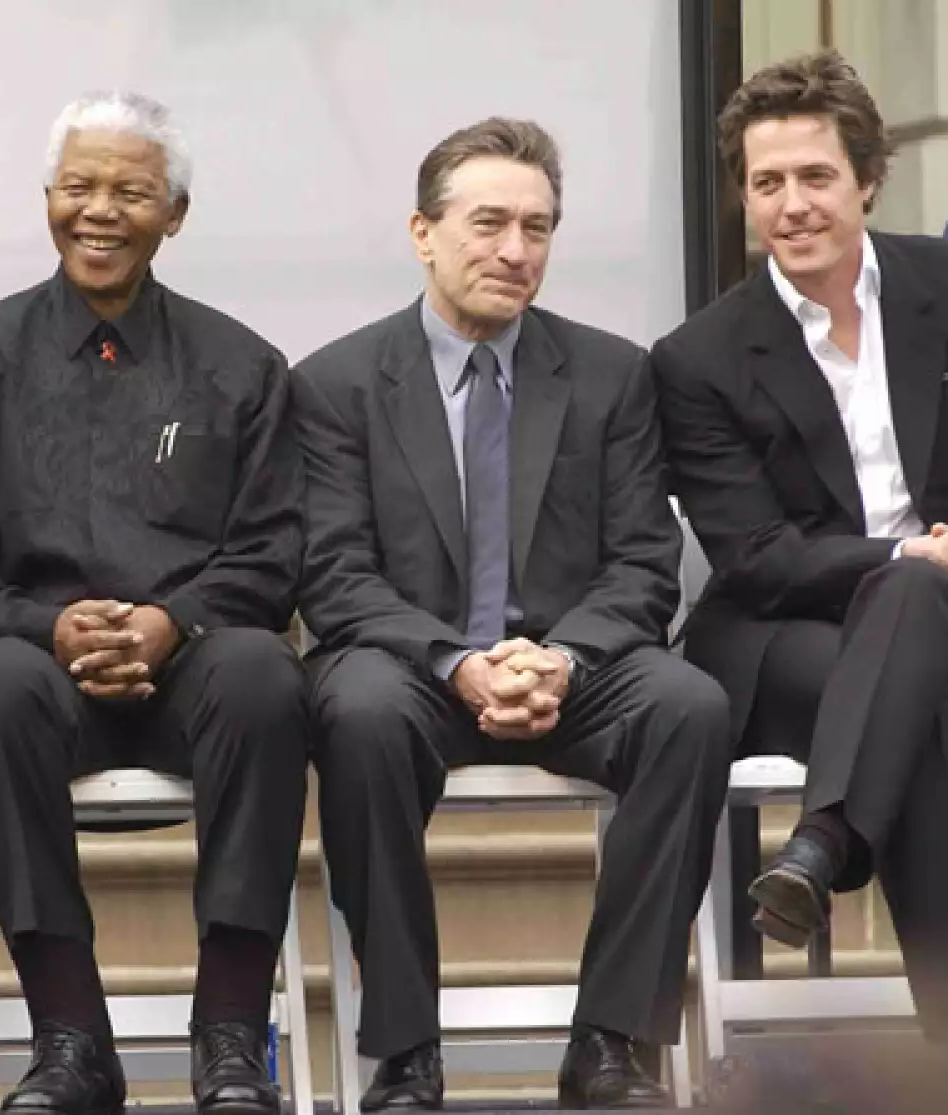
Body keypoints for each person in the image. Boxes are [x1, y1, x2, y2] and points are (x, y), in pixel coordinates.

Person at [295, 117, 730, 1111]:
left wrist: (561, 658)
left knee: (688, 706)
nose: (514, 250)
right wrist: (458, 662)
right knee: (357, 712)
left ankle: (611, 1042)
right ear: (423, 232)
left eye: (537, 228)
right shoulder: (336, 383)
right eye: (488, 223)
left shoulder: (612, 373)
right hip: (410, 664)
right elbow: (334, 575)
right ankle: (405, 1050)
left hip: (570, 663)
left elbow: (642, 563)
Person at [0, 92, 308, 1115]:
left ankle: (231, 1034)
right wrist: (46, 625)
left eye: (131, 191)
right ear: (47, 198)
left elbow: (273, 548)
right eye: (78, 187)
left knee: (265, 674)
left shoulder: (239, 366)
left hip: (197, 667)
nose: (101, 211)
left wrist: (173, 621)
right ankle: (70, 1037)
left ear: (175, 214)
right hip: (37, 668)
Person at [652, 50, 948, 1062]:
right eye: (766, 182)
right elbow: (753, 558)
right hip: (782, 643)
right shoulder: (697, 357)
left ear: (868, 179)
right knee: (911, 650)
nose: (791, 204)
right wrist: (920, 552)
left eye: (815, 176)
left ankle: (823, 840)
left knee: (917, 616)